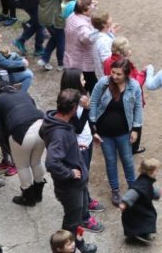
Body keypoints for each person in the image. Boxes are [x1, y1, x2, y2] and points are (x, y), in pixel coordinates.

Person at [42, 89, 99, 253]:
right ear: (73, 107)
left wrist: (72, 146)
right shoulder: (59, 132)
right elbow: (51, 163)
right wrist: (70, 173)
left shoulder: (54, 120)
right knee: (72, 222)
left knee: (77, 218)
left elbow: (44, 135)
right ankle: (64, 248)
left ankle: (79, 246)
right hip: (69, 187)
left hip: (76, 185)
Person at [90, 58, 144, 205]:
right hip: (104, 133)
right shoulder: (103, 83)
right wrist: (92, 123)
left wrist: (136, 129)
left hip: (124, 133)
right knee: (111, 161)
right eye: (113, 72)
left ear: (126, 74)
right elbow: (93, 102)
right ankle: (115, 190)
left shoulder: (134, 86)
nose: (114, 76)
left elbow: (138, 108)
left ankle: (133, 188)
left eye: (118, 74)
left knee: (127, 160)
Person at [0, 80, 47, 207]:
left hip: (20, 130)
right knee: (36, 162)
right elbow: (33, 106)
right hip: (42, 126)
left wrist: (7, 148)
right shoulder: (22, 92)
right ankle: (38, 194)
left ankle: (28, 198)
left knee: (23, 166)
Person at [119, 158, 162, 245]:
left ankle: (140, 233)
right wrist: (124, 203)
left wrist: (158, 193)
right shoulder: (142, 183)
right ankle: (141, 234)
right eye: (156, 171)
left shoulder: (145, 180)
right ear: (150, 172)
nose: (157, 172)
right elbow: (133, 192)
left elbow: (148, 190)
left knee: (146, 217)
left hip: (140, 206)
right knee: (147, 217)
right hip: (136, 209)